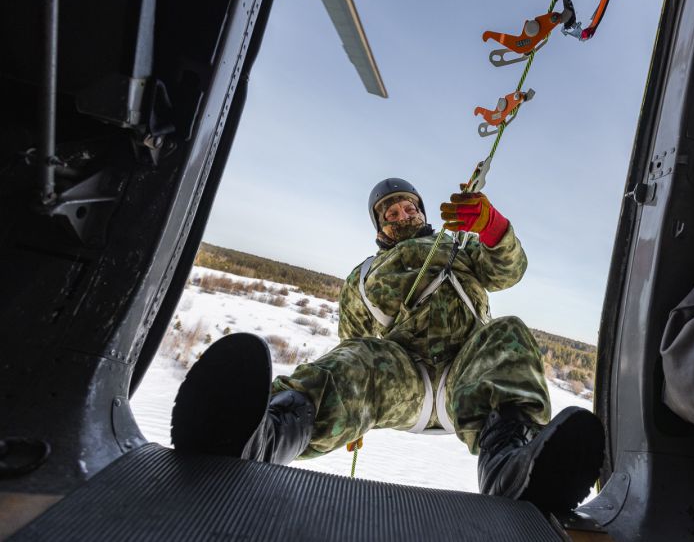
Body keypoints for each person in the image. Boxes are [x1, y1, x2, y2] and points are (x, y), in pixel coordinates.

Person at [178, 177, 604, 514]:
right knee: (360, 358)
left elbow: (508, 271)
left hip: (469, 376)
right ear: (379, 226)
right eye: (392, 212)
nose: (403, 215)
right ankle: (262, 435)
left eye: (409, 207)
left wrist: (490, 228)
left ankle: (514, 469)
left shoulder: (459, 249)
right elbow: (351, 341)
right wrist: (351, 406)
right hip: (406, 378)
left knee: (508, 332)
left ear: (421, 211)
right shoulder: (364, 277)